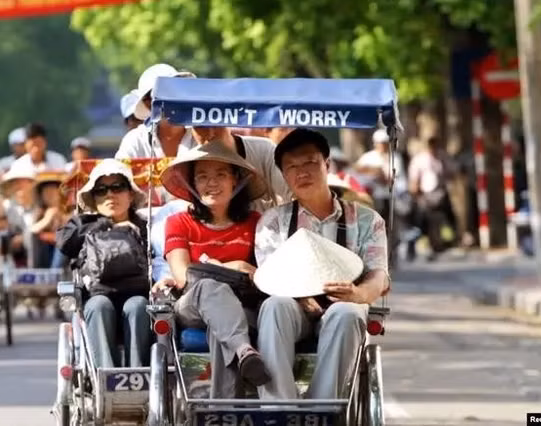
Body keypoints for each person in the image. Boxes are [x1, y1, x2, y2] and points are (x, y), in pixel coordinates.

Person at [253, 128, 390, 401]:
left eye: (310, 163)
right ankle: (279, 411)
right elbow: (271, 278)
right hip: (294, 307)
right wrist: (301, 297)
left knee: (347, 313)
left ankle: (324, 410)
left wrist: (359, 294)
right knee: (274, 306)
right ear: (283, 175)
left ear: (327, 164)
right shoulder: (272, 222)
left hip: (344, 304)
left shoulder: (367, 220)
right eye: (292, 167)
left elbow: (379, 275)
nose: (302, 172)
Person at [151, 141, 271, 399]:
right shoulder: (178, 222)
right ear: (193, 184)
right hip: (193, 303)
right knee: (209, 287)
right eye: (202, 177)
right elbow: (183, 275)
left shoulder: (255, 223)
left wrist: (240, 270)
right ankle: (244, 350)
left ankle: (224, 409)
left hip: (241, 308)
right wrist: (233, 267)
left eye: (220, 175)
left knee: (221, 327)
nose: (212, 183)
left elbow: (265, 274)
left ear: (235, 180)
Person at [56, 159, 152, 368]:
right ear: (94, 197)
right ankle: (107, 379)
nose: (110, 194)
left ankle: (139, 377)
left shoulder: (146, 227)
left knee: (138, 306)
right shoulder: (82, 224)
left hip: (138, 295)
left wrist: (132, 230)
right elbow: (64, 243)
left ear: (130, 194)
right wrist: (107, 225)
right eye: (101, 190)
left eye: (118, 187)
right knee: (100, 306)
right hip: (96, 297)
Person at [188, 125, 292, 212]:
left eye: (217, 125)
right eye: (201, 127)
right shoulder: (187, 161)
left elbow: (289, 198)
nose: (211, 133)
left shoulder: (264, 149)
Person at [115, 63, 197, 159]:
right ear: (148, 104)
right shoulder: (136, 140)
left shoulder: (200, 134)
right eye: (162, 94)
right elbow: (120, 166)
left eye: (174, 91)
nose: (170, 100)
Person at [407, 136, 458, 259]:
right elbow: (414, 178)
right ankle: (424, 245)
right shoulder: (420, 159)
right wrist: (415, 192)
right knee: (425, 221)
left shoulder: (442, 158)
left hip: (440, 193)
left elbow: (452, 173)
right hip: (425, 194)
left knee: (445, 220)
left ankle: (442, 244)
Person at [0, 162, 37, 267]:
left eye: (22, 181)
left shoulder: (40, 206)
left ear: (32, 184)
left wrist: (23, 237)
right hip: (12, 250)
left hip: (35, 249)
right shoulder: (6, 206)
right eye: (14, 182)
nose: (18, 185)